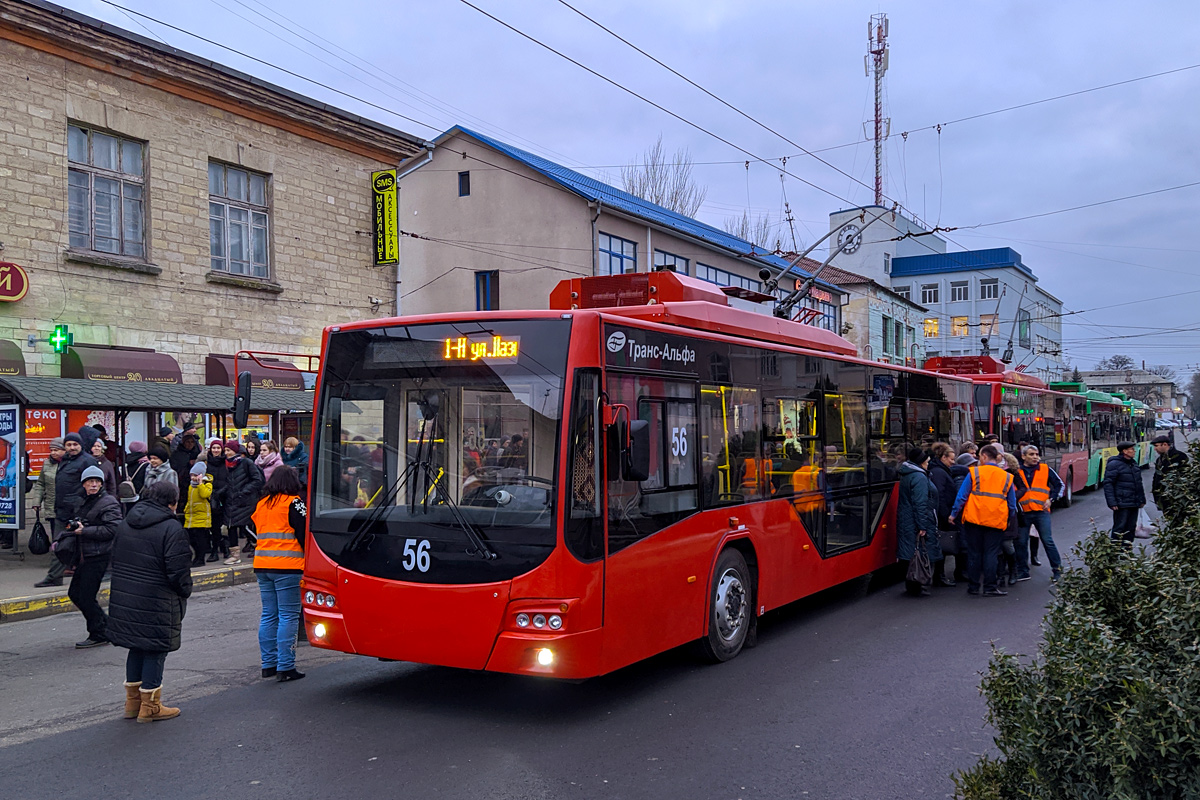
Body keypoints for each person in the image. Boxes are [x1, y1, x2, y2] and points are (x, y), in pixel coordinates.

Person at [106, 480, 191, 723]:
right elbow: (178, 573)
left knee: (136, 645)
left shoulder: (127, 522)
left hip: (127, 596)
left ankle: (132, 703)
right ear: (171, 502)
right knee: (155, 647)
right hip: (157, 598)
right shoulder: (171, 528)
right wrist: (185, 592)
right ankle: (151, 707)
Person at [251, 465, 307, 682]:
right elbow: (303, 534)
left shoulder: (262, 504)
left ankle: (269, 664)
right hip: (288, 566)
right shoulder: (294, 503)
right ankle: (286, 666)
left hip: (262, 564)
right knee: (288, 615)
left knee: (269, 614)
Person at [63, 465, 122, 647]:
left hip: (99, 554)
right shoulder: (85, 500)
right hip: (84, 554)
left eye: (97, 481)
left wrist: (85, 530)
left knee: (86, 596)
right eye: (90, 482)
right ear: (84, 484)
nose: (93, 485)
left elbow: (113, 528)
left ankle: (99, 632)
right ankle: (106, 626)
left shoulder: (108, 502)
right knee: (75, 593)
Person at [949, 444, 1018, 597]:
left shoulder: (974, 473)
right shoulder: (1007, 477)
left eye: (979, 456)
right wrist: (1008, 519)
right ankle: (990, 587)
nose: (978, 459)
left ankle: (973, 587)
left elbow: (962, 496)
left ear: (985, 456)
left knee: (974, 553)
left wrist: (954, 514)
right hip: (995, 521)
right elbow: (1012, 504)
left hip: (974, 519)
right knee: (991, 553)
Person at [1013, 445, 1065, 584]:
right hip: (1024, 512)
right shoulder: (1016, 471)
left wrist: (1051, 499)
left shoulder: (1045, 469)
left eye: (1037, 454)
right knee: (1021, 542)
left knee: (1047, 541)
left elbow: (1059, 485)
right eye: (1031, 454)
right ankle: (1023, 571)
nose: (1035, 457)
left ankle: (1057, 570)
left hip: (1041, 511)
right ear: (1023, 456)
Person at [896, 447, 940, 597]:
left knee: (911, 552)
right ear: (921, 463)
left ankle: (912, 585)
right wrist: (922, 525)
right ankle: (917, 584)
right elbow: (920, 503)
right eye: (927, 462)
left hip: (907, 519)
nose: (928, 464)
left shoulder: (908, 474)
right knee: (919, 552)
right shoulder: (919, 477)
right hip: (917, 521)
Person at [928, 442, 967, 585]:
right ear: (943, 457)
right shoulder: (940, 472)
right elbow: (940, 496)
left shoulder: (939, 470)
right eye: (951, 459)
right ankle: (940, 576)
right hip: (943, 516)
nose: (953, 462)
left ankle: (940, 575)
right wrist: (946, 516)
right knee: (943, 545)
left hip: (943, 514)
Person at [32, 438, 66, 588]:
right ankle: (57, 572)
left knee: (66, 541)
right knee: (57, 541)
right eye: (51, 450)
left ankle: (64, 569)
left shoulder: (69, 464)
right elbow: (40, 484)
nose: (53, 453)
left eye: (56, 449)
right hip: (52, 509)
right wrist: (36, 501)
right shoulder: (47, 464)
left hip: (68, 510)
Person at [223, 440, 264, 564]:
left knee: (245, 526)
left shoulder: (246, 463)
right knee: (231, 526)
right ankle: (234, 555)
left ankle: (260, 547)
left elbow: (257, 480)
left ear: (235, 451)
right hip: (231, 500)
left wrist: (243, 491)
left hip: (245, 500)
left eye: (228, 450)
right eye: (225, 450)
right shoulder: (225, 465)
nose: (226, 453)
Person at [54, 432, 100, 539]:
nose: (72, 447)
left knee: (73, 542)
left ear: (81, 445)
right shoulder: (65, 460)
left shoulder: (88, 461)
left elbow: (95, 485)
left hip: (77, 509)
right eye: (69, 445)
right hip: (62, 508)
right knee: (59, 541)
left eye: (75, 444)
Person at [1103, 441, 1146, 547]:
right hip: (1121, 503)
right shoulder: (1114, 464)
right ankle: (1115, 552)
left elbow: (1138, 483)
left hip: (1134, 502)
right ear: (1124, 451)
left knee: (1131, 528)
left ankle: (1126, 552)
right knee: (1119, 528)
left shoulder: (1133, 463)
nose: (1134, 451)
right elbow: (1108, 484)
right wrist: (1112, 502)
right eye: (1132, 449)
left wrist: (1141, 500)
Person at [1151, 433, 1189, 523]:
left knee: (1177, 522)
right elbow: (1156, 478)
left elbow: (1184, 475)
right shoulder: (1159, 459)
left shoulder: (1179, 456)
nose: (1155, 449)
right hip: (1164, 498)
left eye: (1156, 446)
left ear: (1164, 444)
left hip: (1175, 498)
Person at [182, 462, 214, 567]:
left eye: (195, 475)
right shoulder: (191, 486)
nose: (193, 478)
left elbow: (205, 494)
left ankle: (200, 559)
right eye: (192, 475)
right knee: (191, 539)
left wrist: (200, 484)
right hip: (191, 516)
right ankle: (196, 556)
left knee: (200, 540)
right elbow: (189, 499)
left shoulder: (207, 484)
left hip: (201, 516)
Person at [204, 439, 229, 562]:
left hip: (224, 498)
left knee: (223, 525)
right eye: (214, 448)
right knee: (213, 526)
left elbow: (229, 479)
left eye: (218, 448)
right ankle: (216, 550)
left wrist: (221, 491)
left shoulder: (226, 463)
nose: (216, 450)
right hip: (209, 497)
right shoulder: (205, 463)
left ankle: (225, 548)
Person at [170, 430, 202, 503]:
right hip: (181, 481)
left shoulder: (197, 453)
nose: (190, 444)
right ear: (183, 443)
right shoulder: (177, 454)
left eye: (192, 442)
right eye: (188, 442)